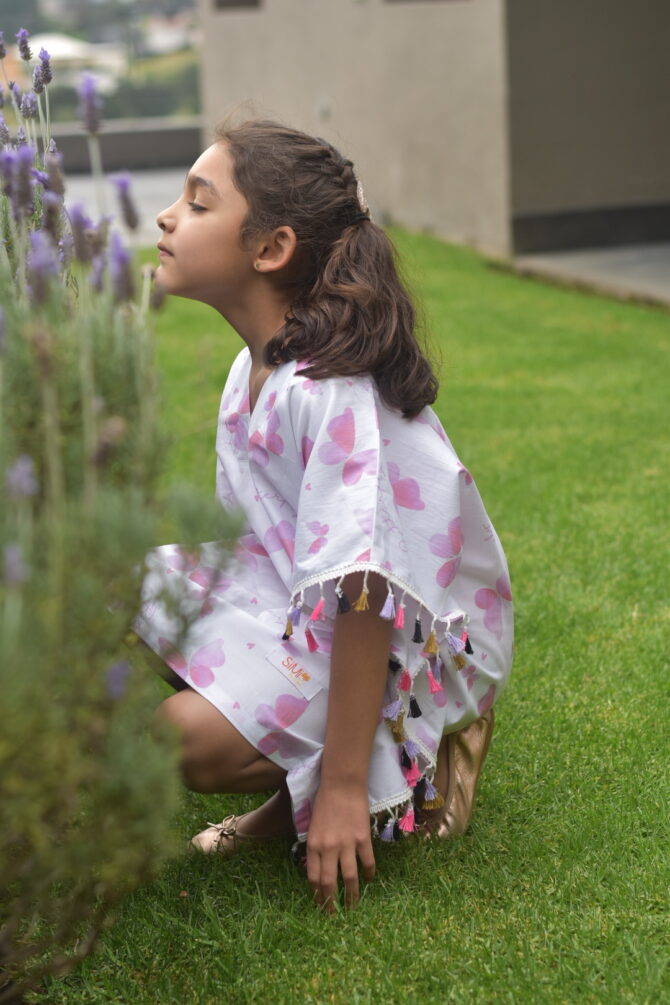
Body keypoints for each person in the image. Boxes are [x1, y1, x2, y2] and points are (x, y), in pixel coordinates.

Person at [134, 119, 513, 912]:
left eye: (197, 204)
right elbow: (272, 556)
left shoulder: (327, 391)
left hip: (413, 641)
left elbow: (365, 586)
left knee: (185, 737)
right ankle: (293, 788)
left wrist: (343, 789)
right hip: (311, 606)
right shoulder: (252, 370)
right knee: (125, 585)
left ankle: (396, 751)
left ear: (269, 249)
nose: (168, 216)